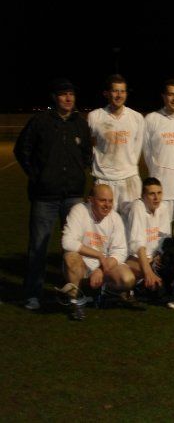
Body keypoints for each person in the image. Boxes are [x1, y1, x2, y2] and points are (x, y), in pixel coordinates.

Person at [14, 78, 92, 310]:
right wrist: (36, 176)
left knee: (73, 247)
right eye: (63, 94)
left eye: (71, 94)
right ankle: (33, 294)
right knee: (39, 247)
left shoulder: (80, 123)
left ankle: (73, 292)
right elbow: (22, 149)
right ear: (55, 97)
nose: (68, 98)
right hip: (45, 196)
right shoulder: (40, 121)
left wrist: (78, 172)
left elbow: (87, 154)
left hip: (73, 195)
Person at [60, 185, 134, 320]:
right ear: (91, 200)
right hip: (82, 263)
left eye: (110, 201)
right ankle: (75, 301)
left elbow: (121, 251)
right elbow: (67, 242)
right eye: (102, 200)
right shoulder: (79, 210)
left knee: (128, 279)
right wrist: (99, 255)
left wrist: (100, 269)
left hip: (104, 265)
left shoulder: (115, 218)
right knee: (70, 257)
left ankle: (103, 291)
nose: (107, 205)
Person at [88, 74, 145, 217]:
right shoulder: (95, 117)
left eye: (122, 91)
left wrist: (128, 168)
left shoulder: (137, 118)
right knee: (103, 224)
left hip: (129, 180)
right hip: (104, 179)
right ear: (106, 93)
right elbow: (90, 146)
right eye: (115, 91)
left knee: (131, 223)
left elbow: (137, 149)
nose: (119, 95)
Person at [143, 79, 174, 220]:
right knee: (161, 231)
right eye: (171, 94)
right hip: (161, 189)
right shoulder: (151, 119)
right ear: (164, 96)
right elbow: (147, 153)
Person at [125, 177, 170, 293]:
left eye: (159, 193)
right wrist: (148, 272)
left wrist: (158, 255)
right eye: (152, 194)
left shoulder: (164, 207)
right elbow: (137, 244)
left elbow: (165, 238)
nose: (156, 198)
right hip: (135, 258)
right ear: (143, 196)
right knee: (154, 285)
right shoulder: (137, 207)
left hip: (153, 258)